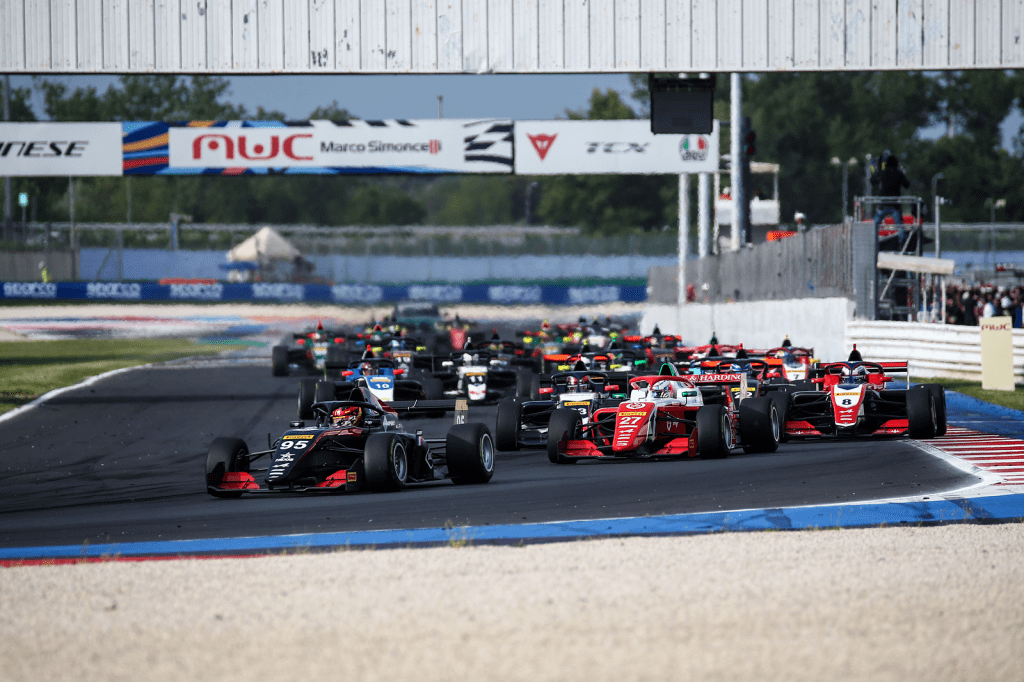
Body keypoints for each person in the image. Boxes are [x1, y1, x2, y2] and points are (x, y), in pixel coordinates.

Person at [870, 154, 910, 236]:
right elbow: (907, 185)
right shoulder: (899, 174)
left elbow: (873, 181)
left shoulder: (883, 173)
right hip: (894, 205)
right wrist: (904, 174)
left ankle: (871, 240)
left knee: (875, 225)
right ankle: (902, 241)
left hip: (883, 204)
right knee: (899, 226)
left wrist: (874, 171)